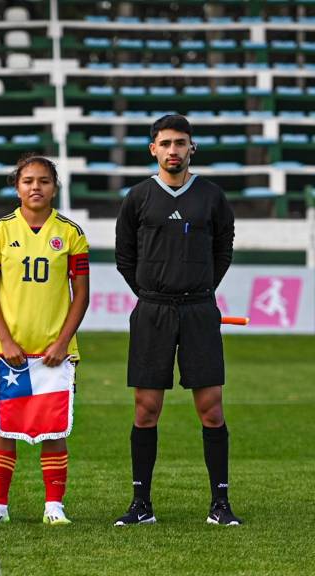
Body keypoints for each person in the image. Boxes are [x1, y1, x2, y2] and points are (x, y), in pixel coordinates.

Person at [114, 114, 240, 526]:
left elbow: (223, 250)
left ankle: (220, 504)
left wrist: (198, 289)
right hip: (152, 310)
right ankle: (141, 505)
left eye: (180, 143)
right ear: (153, 149)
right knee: (146, 409)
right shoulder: (137, 197)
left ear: (192, 148)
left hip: (200, 310)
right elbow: (124, 257)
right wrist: (153, 293)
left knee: (211, 410)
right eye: (165, 143)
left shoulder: (211, 196)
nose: (173, 150)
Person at [0, 155, 90, 526]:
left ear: (55, 186)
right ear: (17, 187)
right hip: (9, 354)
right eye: (28, 181)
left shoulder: (71, 233)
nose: (35, 187)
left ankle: (54, 506)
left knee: (54, 427)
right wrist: (6, 341)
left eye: (43, 180)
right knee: (3, 425)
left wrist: (62, 342)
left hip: (56, 354)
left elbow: (81, 294)